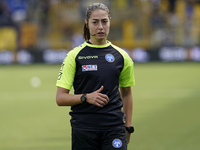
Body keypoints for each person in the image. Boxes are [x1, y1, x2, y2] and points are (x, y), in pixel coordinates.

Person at [56, 3, 135, 150]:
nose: (100, 27)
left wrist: (128, 126)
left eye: (104, 21)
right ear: (87, 24)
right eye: (95, 22)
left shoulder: (122, 57)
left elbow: (127, 94)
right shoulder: (74, 56)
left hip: (114, 129)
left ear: (110, 21)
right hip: (84, 129)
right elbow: (60, 98)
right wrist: (86, 97)